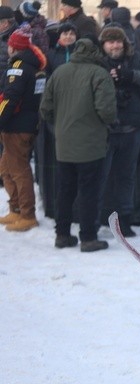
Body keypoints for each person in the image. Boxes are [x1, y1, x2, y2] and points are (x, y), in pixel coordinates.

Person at [40, 38, 117, 251]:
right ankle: (88, 237)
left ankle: (62, 235)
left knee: (64, 191)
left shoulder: (59, 73)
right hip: (91, 144)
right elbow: (107, 111)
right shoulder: (99, 74)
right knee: (88, 191)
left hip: (64, 143)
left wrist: (61, 124)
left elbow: (45, 109)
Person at [98, 25, 140, 237]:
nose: (115, 45)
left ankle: (125, 219)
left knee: (127, 176)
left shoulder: (136, 60)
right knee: (101, 176)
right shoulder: (97, 62)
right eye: (111, 41)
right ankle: (99, 217)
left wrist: (131, 76)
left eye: (118, 41)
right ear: (103, 45)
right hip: (105, 129)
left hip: (132, 128)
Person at [0, 25, 45, 232]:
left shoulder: (18, 68)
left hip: (17, 127)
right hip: (23, 124)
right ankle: (16, 208)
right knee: (6, 168)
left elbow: (10, 99)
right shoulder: (33, 67)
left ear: (13, 47)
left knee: (19, 171)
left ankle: (27, 214)